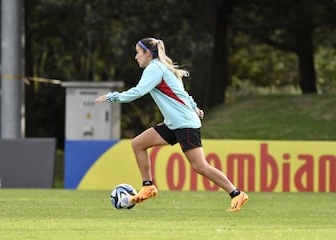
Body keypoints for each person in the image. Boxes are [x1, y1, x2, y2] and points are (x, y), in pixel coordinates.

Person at [94, 37, 249, 212]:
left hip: (184, 124)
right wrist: (194, 106)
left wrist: (112, 96)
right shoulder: (161, 68)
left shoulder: (155, 68)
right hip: (174, 124)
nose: (136, 57)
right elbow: (182, 93)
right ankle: (148, 186)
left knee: (199, 166)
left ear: (147, 53)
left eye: (138, 53)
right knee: (138, 143)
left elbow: (138, 92)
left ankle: (236, 194)